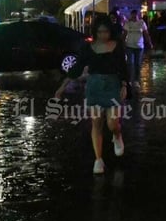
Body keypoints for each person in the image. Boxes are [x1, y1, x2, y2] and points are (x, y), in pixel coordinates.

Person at [54, 17, 128, 175]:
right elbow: (77, 68)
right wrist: (62, 87)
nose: (103, 35)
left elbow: (123, 67)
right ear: (95, 32)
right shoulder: (89, 47)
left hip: (112, 85)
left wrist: (124, 84)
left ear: (110, 31)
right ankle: (98, 159)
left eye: (106, 31)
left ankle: (117, 135)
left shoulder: (117, 46)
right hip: (94, 87)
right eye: (100, 31)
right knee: (96, 123)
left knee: (113, 123)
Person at [123, 9, 152, 87]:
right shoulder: (128, 23)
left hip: (139, 47)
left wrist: (150, 43)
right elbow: (124, 34)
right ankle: (129, 80)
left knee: (137, 64)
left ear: (137, 15)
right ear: (131, 15)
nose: (134, 17)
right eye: (133, 15)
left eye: (135, 15)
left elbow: (146, 33)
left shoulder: (142, 23)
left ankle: (136, 80)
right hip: (129, 46)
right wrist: (122, 44)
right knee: (130, 63)